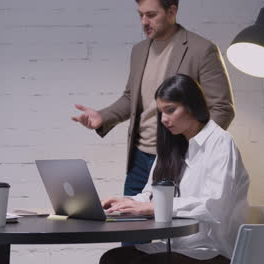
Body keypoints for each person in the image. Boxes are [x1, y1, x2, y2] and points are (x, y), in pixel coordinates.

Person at [72, 0, 234, 203]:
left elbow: (222, 108)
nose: (144, 21)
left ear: (172, 11)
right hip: (139, 159)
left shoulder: (202, 50)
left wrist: (194, 150)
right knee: (130, 228)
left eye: (151, 15)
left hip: (177, 156)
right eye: (140, 15)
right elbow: (132, 98)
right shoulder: (139, 51)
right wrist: (103, 116)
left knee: (172, 227)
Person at [99, 74, 250, 264]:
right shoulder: (171, 147)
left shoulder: (220, 142)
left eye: (170, 110)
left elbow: (215, 205)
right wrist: (124, 203)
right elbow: (151, 194)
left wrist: (155, 207)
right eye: (160, 112)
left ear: (192, 106)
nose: (163, 119)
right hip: (173, 247)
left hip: (211, 251)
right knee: (113, 258)